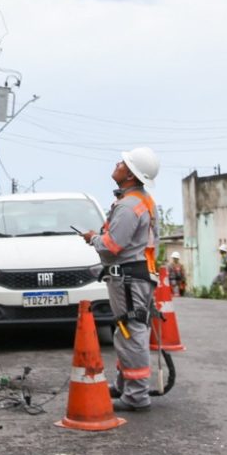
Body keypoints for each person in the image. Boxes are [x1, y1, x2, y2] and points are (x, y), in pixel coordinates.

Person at [83, 147, 160, 413]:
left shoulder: (129, 206)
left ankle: (136, 396)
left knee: (131, 332)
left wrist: (93, 238)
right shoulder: (140, 200)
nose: (117, 164)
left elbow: (111, 246)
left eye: (123, 162)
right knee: (126, 331)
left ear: (130, 174)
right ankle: (126, 385)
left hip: (128, 277)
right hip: (135, 275)